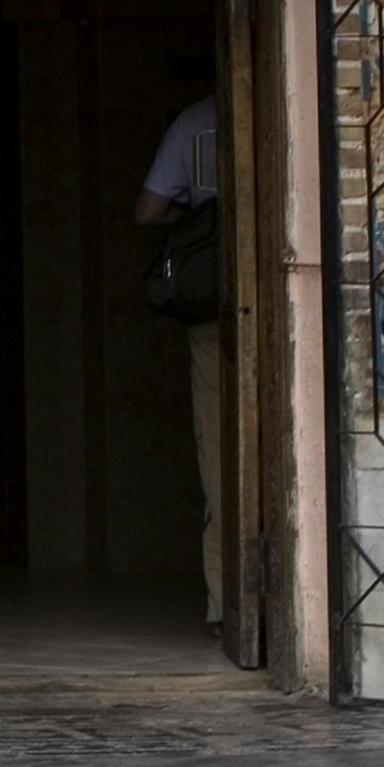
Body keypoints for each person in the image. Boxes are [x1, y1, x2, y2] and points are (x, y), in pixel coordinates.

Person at [133, 95, 225, 628]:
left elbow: (146, 211)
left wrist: (194, 213)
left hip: (207, 304)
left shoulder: (194, 120)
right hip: (279, 305)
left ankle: (223, 605)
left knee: (217, 448)